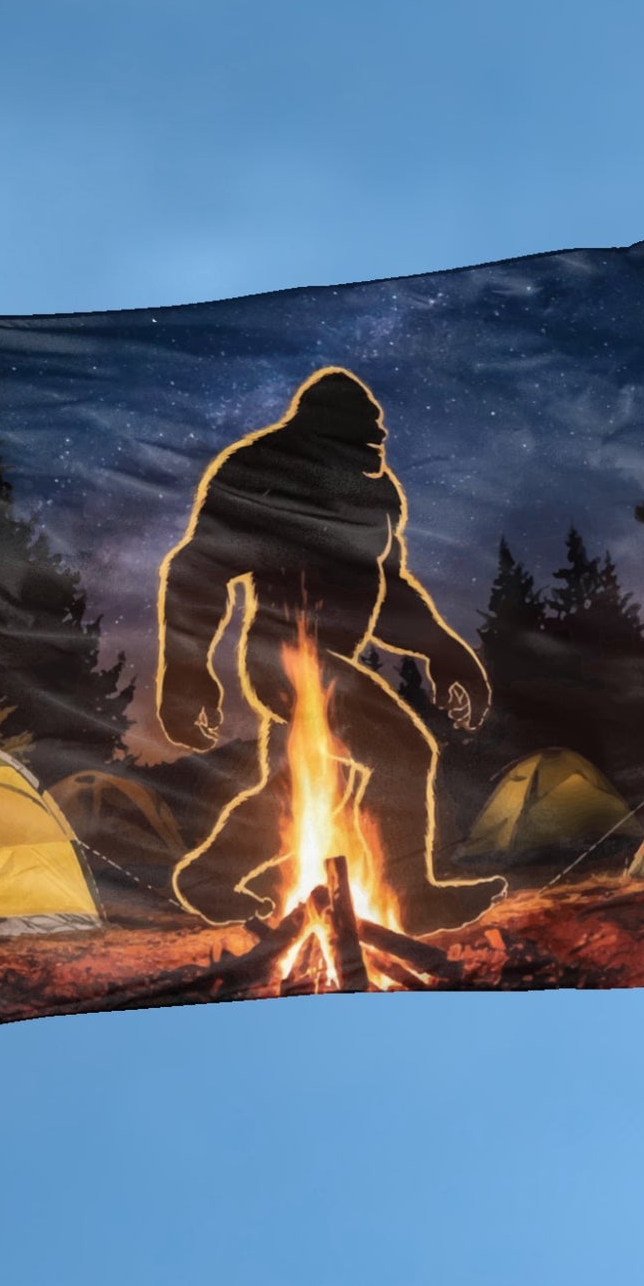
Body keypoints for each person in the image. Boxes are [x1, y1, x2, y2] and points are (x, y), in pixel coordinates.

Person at [156, 366, 504, 934]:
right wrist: (188, 670)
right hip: (281, 655)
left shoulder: (377, 489)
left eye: (375, 444)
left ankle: (208, 876)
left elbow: (385, 584)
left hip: (333, 656)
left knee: (314, 782)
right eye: (360, 446)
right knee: (400, 749)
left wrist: (443, 650)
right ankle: (409, 895)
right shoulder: (259, 471)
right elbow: (197, 569)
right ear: (318, 438)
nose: (374, 454)